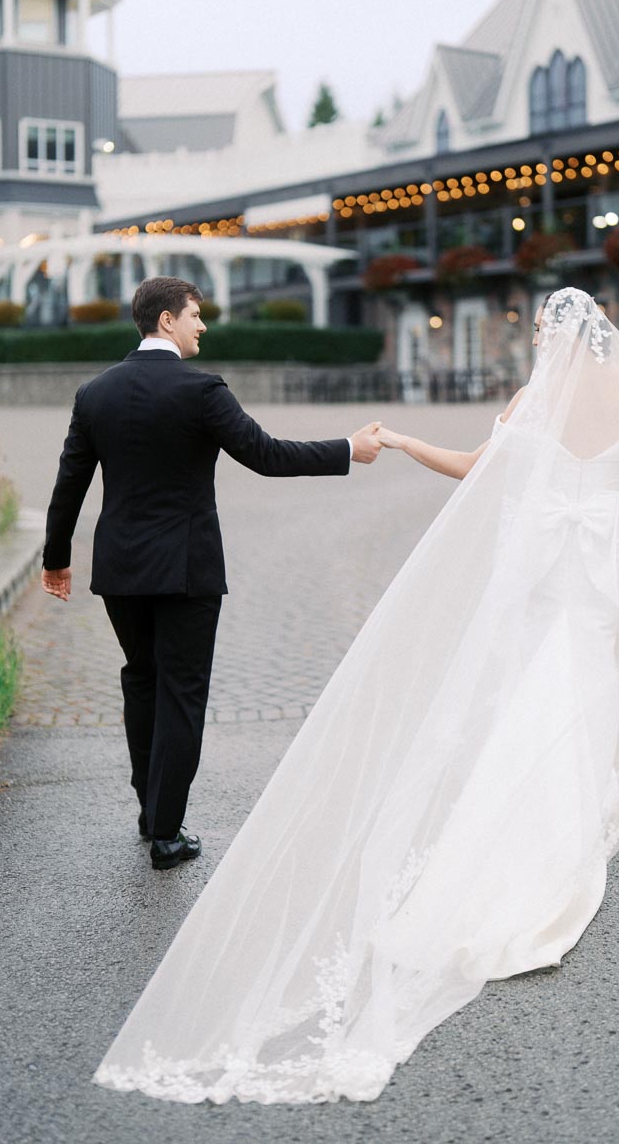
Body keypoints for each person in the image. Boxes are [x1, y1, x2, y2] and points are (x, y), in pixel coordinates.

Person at [93, 287, 619, 1104]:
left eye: (537, 330)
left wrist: (404, 440)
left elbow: (477, 472)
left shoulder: (538, 398)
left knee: (544, 683)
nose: (534, 343)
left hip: (546, 566)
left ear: (565, 340)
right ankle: (558, 833)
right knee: (578, 682)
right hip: (595, 561)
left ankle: (537, 820)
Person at [42, 275, 383, 870]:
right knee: (181, 693)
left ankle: (151, 813)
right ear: (167, 320)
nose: (203, 326)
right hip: (187, 570)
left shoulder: (94, 393)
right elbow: (268, 456)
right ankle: (166, 835)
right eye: (195, 315)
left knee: (142, 680)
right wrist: (348, 448)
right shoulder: (201, 391)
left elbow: (70, 482)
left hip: (120, 570)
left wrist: (56, 559)